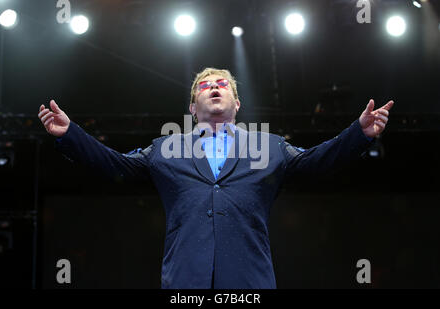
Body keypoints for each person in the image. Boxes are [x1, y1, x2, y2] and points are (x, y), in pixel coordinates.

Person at [38, 67, 394, 289]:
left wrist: (358, 134)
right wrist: (71, 134)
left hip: (249, 283)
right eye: (205, 85)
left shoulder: (269, 147)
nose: (214, 87)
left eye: (223, 84)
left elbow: (318, 162)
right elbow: (114, 165)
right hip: (185, 282)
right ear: (193, 108)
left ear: (236, 104)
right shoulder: (165, 148)